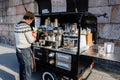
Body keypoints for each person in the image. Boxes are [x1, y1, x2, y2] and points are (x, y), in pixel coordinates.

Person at [14, 11, 36, 80]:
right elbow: (31, 40)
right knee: (27, 70)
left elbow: (14, 37)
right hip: (25, 50)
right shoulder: (26, 27)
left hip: (18, 49)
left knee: (22, 67)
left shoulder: (16, 25)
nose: (31, 22)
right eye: (32, 20)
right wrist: (34, 36)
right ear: (29, 18)